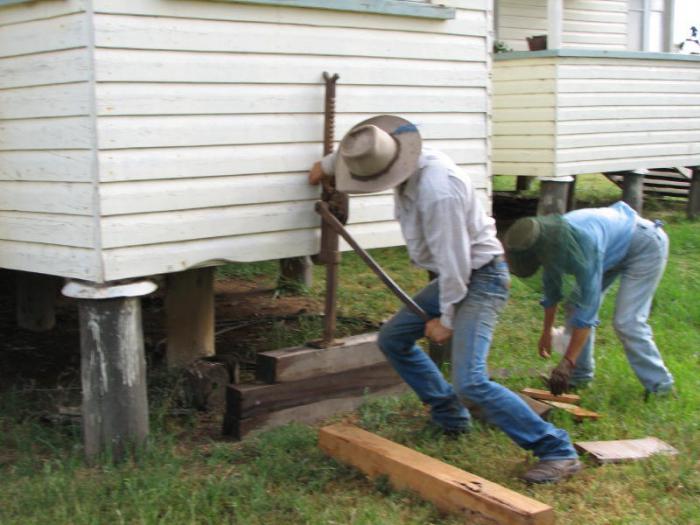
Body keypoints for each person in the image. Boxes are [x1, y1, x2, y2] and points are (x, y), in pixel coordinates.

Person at [309, 115, 581, 484]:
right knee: (393, 338)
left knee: (471, 380)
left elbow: (456, 267)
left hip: (479, 277)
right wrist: (326, 166)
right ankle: (450, 417)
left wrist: (447, 321)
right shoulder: (402, 160)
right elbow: (356, 156)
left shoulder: (438, 192)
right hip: (459, 274)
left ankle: (557, 450)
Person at [503, 202, 674, 398]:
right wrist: (546, 332)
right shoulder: (548, 244)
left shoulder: (583, 246)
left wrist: (568, 361)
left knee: (627, 322)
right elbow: (552, 291)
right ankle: (580, 376)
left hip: (645, 244)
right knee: (573, 305)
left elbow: (587, 310)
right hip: (612, 248)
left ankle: (661, 387)